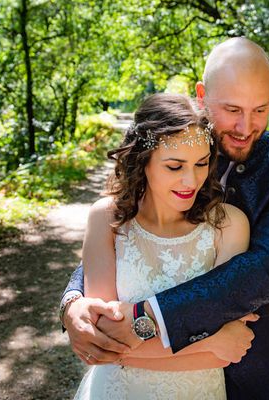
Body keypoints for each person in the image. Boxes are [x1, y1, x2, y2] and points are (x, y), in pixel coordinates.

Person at [61, 37, 269, 399]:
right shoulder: (171, 135)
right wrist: (73, 301)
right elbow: (121, 230)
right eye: (232, 109)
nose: (246, 127)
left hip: (254, 349)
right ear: (202, 96)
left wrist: (143, 320)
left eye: (261, 109)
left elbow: (263, 268)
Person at [72, 93, 258, 399]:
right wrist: (208, 341)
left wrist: (131, 345)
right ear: (142, 162)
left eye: (201, 163)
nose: (191, 180)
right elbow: (101, 342)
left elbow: (227, 354)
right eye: (174, 166)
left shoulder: (229, 225)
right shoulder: (105, 218)